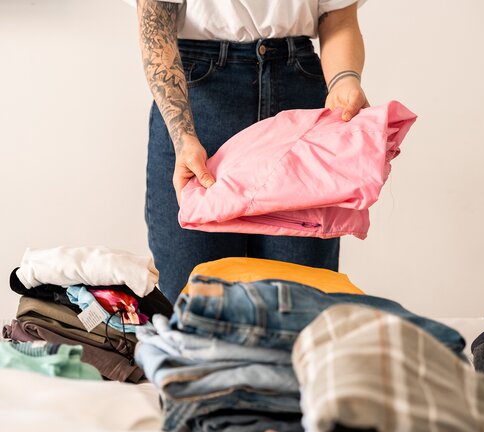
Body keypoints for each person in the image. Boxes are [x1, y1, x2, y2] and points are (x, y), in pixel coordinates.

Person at [135, 0, 369, 303]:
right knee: (194, 298)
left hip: (299, 94)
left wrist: (344, 81)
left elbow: (338, 17)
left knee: (299, 303)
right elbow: (155, 22)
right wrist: (183, 136)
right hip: (199, 102)